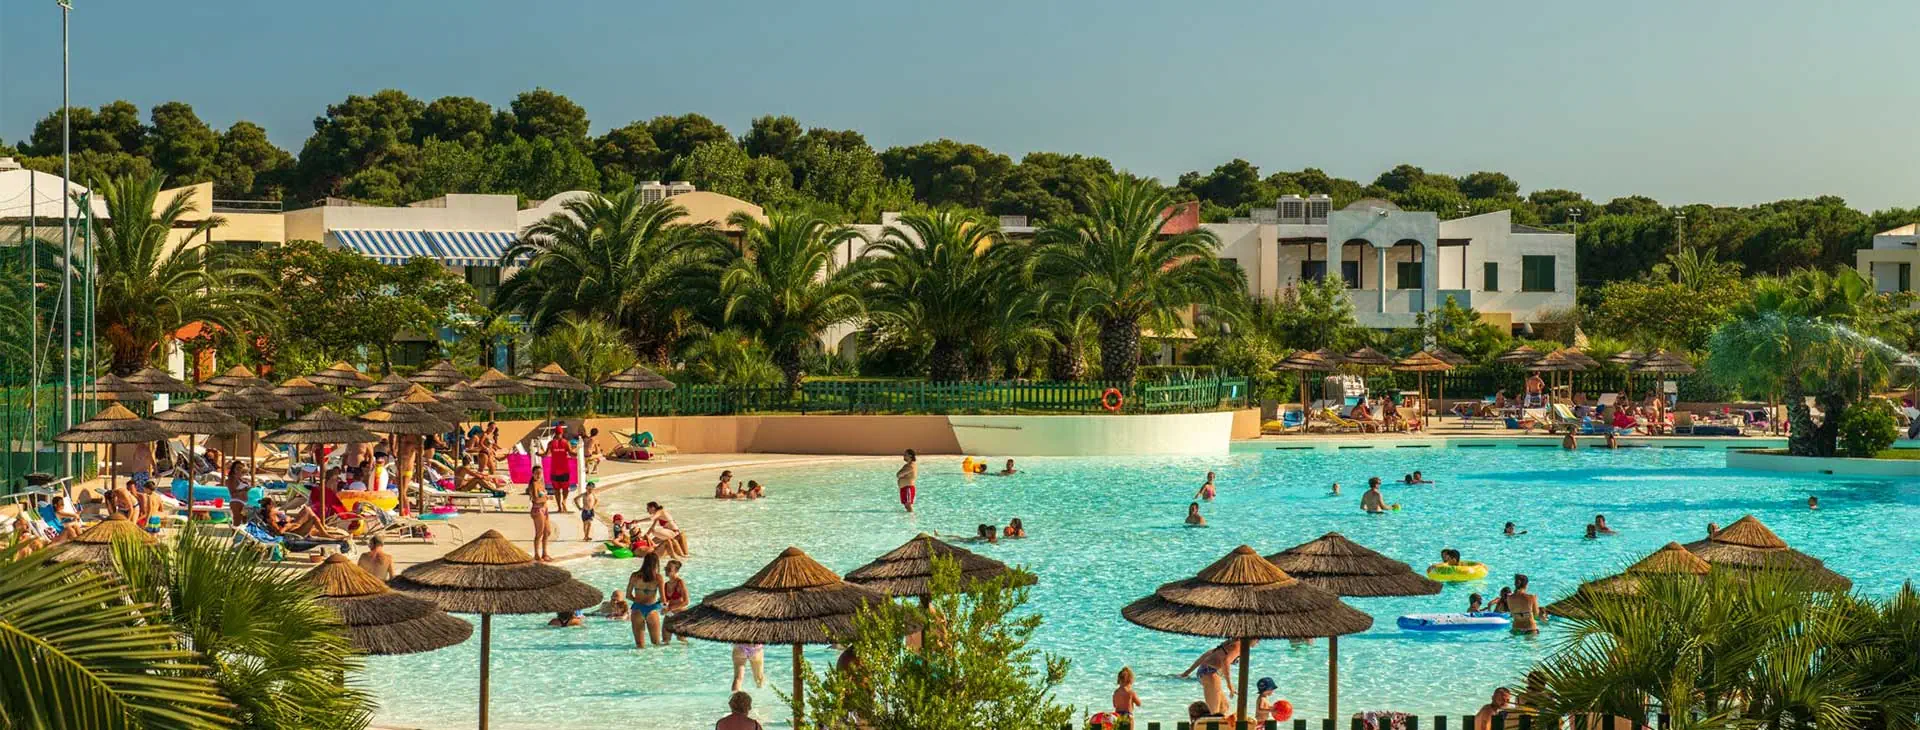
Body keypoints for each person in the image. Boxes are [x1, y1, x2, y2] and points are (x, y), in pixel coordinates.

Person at [1180, 638, 1253, 715]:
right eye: (1257, 639)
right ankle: (1203, 721)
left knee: (1224, 707)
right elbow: (1226, 661)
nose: (1257, 642)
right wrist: (1229, 685)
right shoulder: (1239, 645)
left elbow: (1208, 653)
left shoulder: (1232, 642)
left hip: (1206, 671)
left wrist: (1187, 672)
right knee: (1215, 712)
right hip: (1210, 673)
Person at [627, 553, 667, 648]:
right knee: (656, 644)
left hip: (637, 609)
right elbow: (663, 599)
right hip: (652, 610)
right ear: (656, 564)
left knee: (639, 645)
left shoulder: (635, 576)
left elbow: (628, 595)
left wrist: (637, 601)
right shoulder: (658, 578)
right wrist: (664, 607)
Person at [542, 425, 575, 514]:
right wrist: (579, 453)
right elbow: (571, 453)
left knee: (556, 490)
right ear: (562, 433)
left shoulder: (551, 443)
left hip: (554, 470)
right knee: (565, 489)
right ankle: (564, 501)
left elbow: (545, 454)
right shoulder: (566, 442)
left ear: (555, 433)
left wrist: (538, 454)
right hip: (564, 469)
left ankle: (559, 508)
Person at [526, 466, 553, 562]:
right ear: (533, 474)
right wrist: (547, 498)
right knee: (539, 533)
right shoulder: (533, 484)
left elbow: (542, 496)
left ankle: (545, 553)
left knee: (547, 532)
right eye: (536, 473)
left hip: (544, 509)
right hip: (537, 510)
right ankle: (537, 554)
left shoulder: (541, 482)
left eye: (540, 473)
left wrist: (546, 497)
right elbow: (536, 499)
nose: (538, 475)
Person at [663, 559, 690, 643]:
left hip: (680, 614)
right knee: (665, 640)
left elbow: (686, 602)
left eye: (669, 569)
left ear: (676, 571)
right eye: (666, 568)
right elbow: (665, 601)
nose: (666, 570)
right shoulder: (666, 584)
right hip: (669, 614)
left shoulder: (680, 583)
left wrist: (670, 608)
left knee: (681, 639)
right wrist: (663, 607)